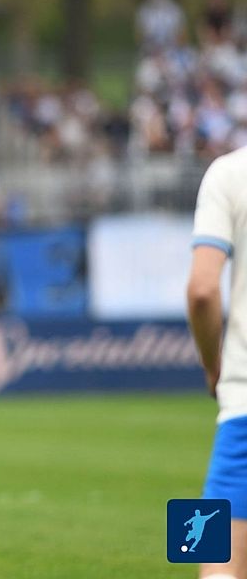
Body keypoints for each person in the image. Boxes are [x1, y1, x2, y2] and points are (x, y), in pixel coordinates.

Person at [187, 145, 247, 578]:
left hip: (243, 409)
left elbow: (203, 289)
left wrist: (213, 366)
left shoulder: (229, 172)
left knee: (206, 553)